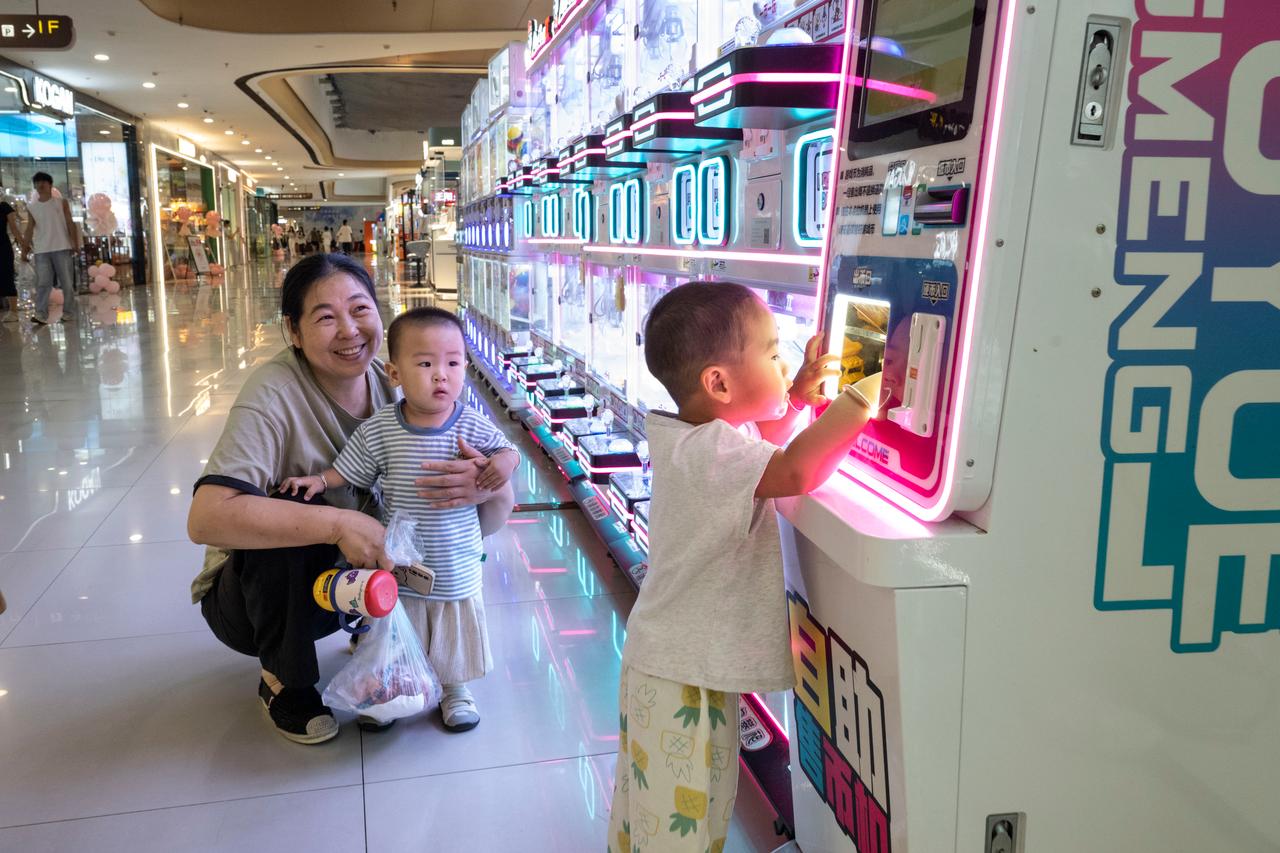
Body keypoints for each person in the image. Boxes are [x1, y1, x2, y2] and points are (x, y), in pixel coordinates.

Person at [186, 254, 515, 745]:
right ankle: (286, 682)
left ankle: (423, 671)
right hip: (254, 602)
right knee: (299, 509)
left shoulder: (409, 384)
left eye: (360, 309)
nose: (349, 331)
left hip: (364, 584)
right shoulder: (274, 393)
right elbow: (205, 518)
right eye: (325, 317)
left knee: (432, 591)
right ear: (292, 332)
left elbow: (495, 510)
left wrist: (484, 484)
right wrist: (339, 525)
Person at [605, 282, 880, 853]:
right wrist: (866, 395)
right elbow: (794, 472)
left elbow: (768, 445)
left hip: (677, 660)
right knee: (683, 817)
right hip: (680, 671)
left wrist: (797, 398)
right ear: (719, 382)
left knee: (661, 809)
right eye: (774, 351)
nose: (785, 362)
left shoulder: (708, 435)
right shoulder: (708, 452)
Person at [280, 306, 520, 732]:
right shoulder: (382, 428)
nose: (441, 375)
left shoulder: (470, 423)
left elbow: (506, 450)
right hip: (402, 556)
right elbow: (349, 468)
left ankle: (454, 688)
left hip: (456, 553)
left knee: (451, 617)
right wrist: (318, 481)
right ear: (394, 373)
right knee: (398, 618)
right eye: (425, 364)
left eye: (452, 363)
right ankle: (392, 686)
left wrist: (504, 463)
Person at [22, 173, 79, 325]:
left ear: (50, 185)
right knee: (43, 283)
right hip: (42, 249)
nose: (41, 185)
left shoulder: (61, 202)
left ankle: (68, 312)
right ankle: (40, 314)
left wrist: (75, 243)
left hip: (62, 246)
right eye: (38, 182)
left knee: (66, 282)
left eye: (44, 182)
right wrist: (24, 248)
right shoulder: (32, 207)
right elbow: (29, 228)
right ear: (34, 186)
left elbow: (69, 222)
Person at [1, 196, 22, 322]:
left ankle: (13, 311)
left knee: (7, 277)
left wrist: (24, 244)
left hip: (3, 247)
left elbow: (14, 228)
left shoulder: (4, 206)